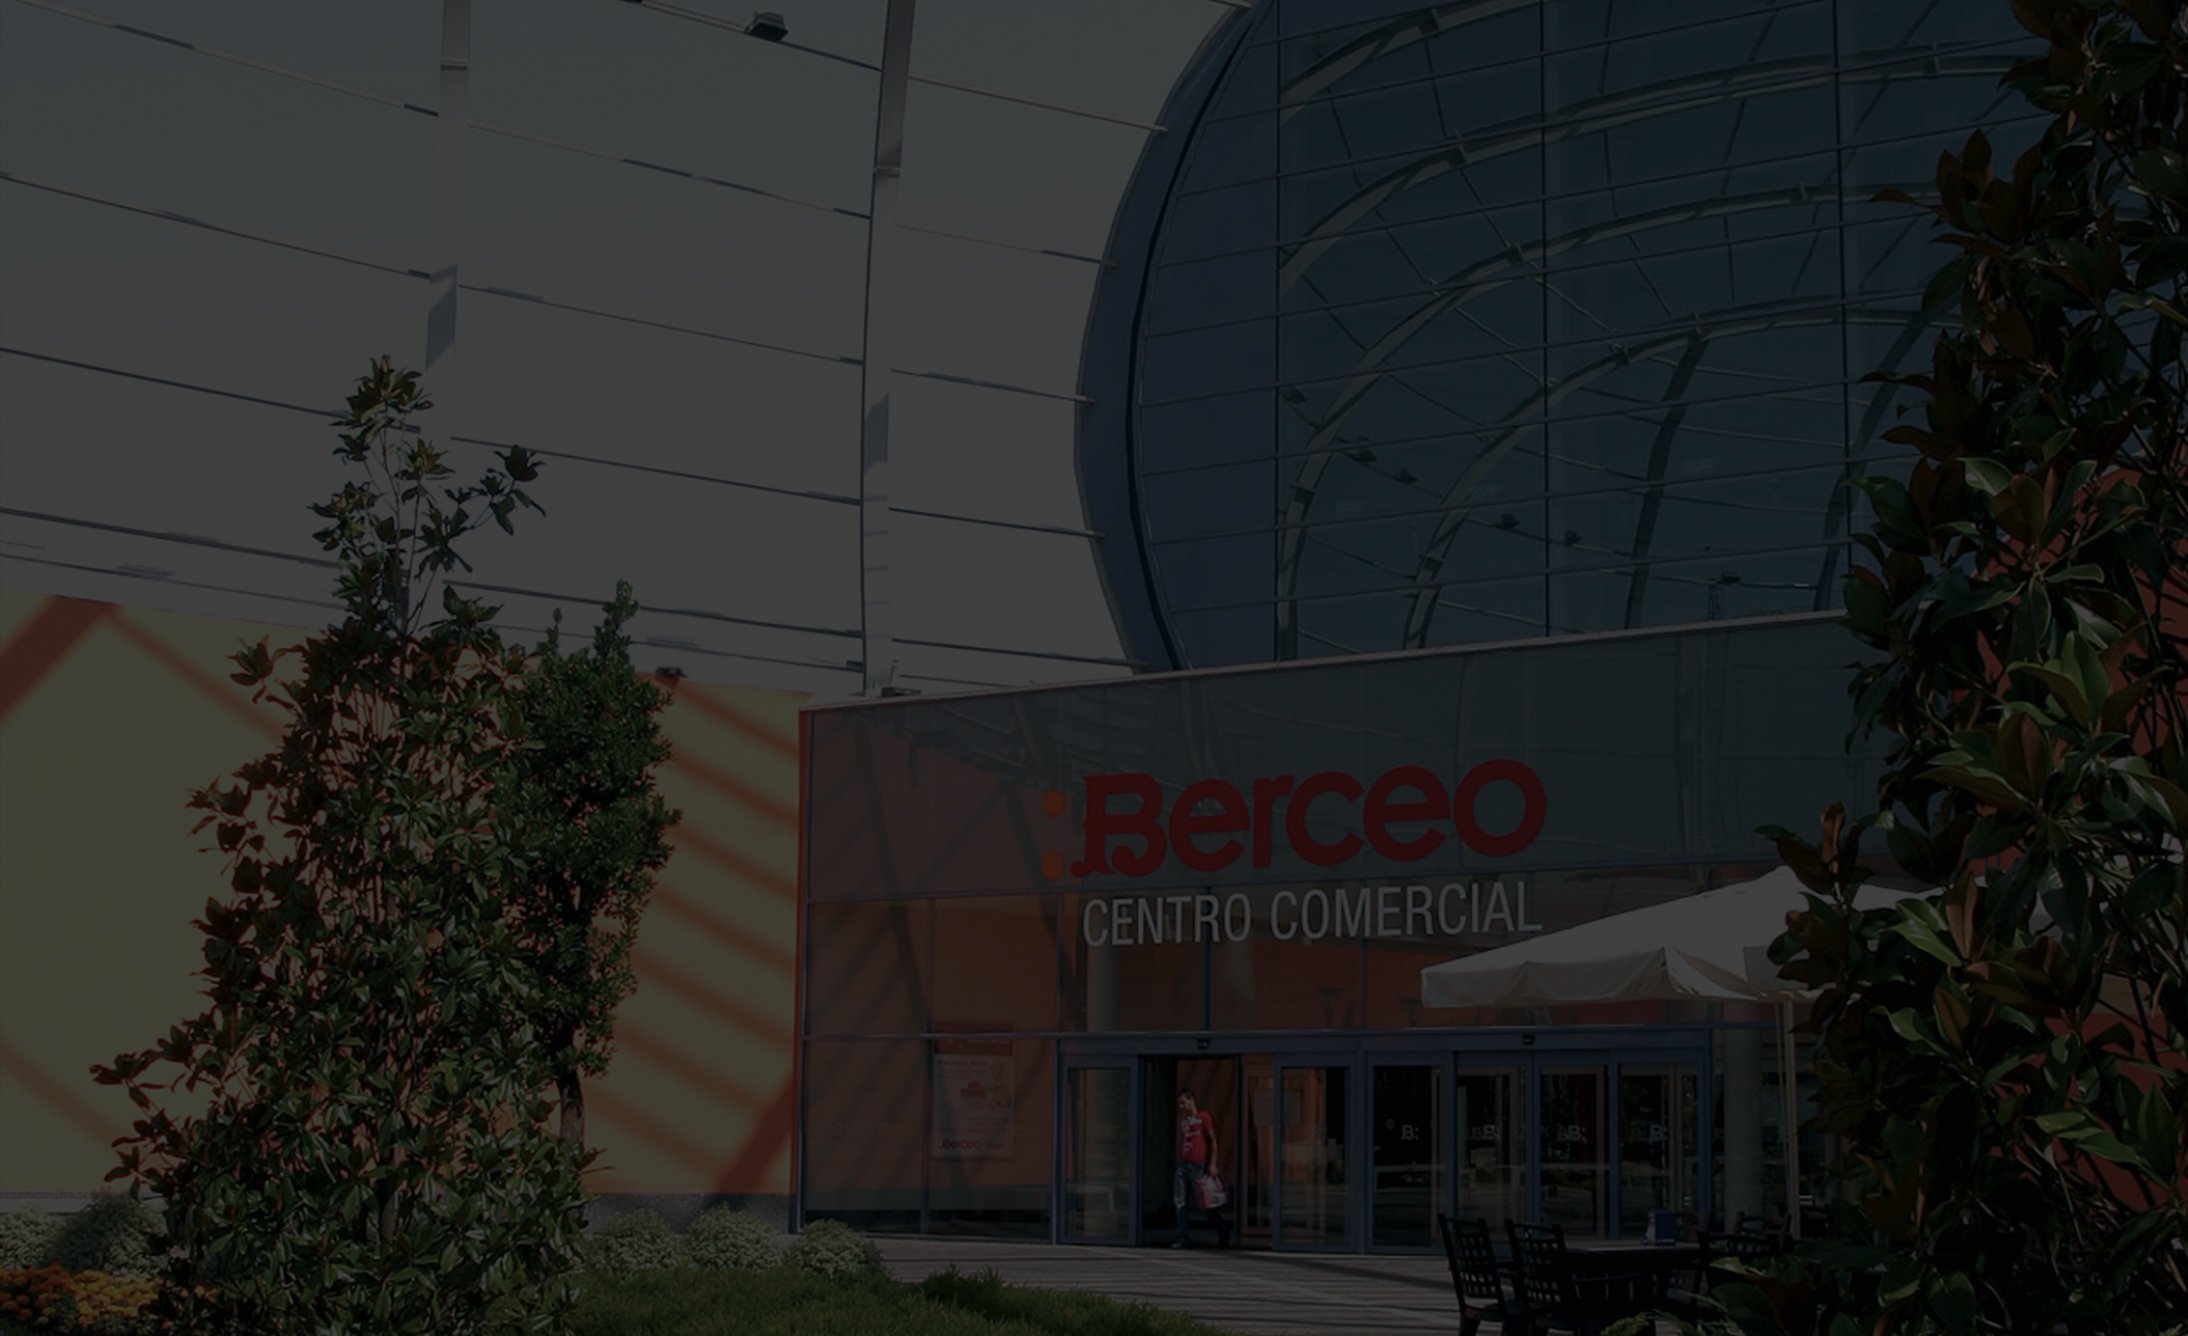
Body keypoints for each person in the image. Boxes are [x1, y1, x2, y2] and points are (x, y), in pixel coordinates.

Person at [1172, 1089, 1231, 1248]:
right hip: (1183, 1164)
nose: (1181, 1106)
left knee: (1204, 1202)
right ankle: (1182, 1238)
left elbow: (1213, 1140)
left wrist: (1212, 1163)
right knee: (1180, 1201)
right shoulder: (1185, 1120)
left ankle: (1222, 1227)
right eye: (1179, 1103)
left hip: (1199, 1165)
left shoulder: (1204, 1117)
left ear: (1191, 1100)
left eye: (1183, 1102)